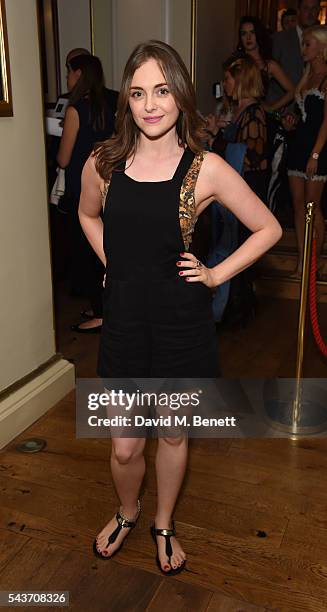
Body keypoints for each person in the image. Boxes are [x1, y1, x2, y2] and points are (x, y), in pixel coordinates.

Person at [78, 40, 282, 574]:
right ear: (127, 101)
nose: (150, 104)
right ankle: (128, 511)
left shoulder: (206, 169)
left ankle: (163, 522)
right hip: (124, 321)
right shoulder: (104, 162)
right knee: (124, 447)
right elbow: (88, 216)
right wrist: (111, 260)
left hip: (181, 323)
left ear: (181, 97)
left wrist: (215, 274)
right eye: (139, 92)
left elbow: (269, 228)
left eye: (162, 90)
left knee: (171, 432)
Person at [57, 55, 117, 332]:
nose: (67, 79)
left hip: (83, 189)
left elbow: (64, 159)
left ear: (79, 74)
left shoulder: (76, 110)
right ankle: (102, 306)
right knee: (106, 249)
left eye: (69, 73)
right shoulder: (113, 102)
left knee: (86, 253)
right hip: (112, 186)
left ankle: (103, 314)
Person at [285, 25, 327, 277]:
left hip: (317, 150)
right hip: (298, 145)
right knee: (299, 206)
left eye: (308, 43)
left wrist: (315, 154)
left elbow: (326, 122)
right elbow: (305, 118)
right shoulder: (305, 76)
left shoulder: (325, 78)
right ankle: (303, 260)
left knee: (314, 206)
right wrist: (290, 122)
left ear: (322, 46)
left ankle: (316, 259)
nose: (304, 48)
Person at [237, 16, 295, 112]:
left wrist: (271, 108)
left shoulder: (269, 65)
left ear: (259, 34)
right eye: (244, 33)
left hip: (259, 116)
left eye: (252, 32)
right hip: (237, 114)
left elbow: (292, 91)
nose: (248, 37)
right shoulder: (237, 62)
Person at [272, 0, 321, 93]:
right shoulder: (279, 39)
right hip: (286, 104)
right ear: (298, 11)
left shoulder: (323, 40)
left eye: (314, 8)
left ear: (319, 10)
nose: (310, 13)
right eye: (306, 8)